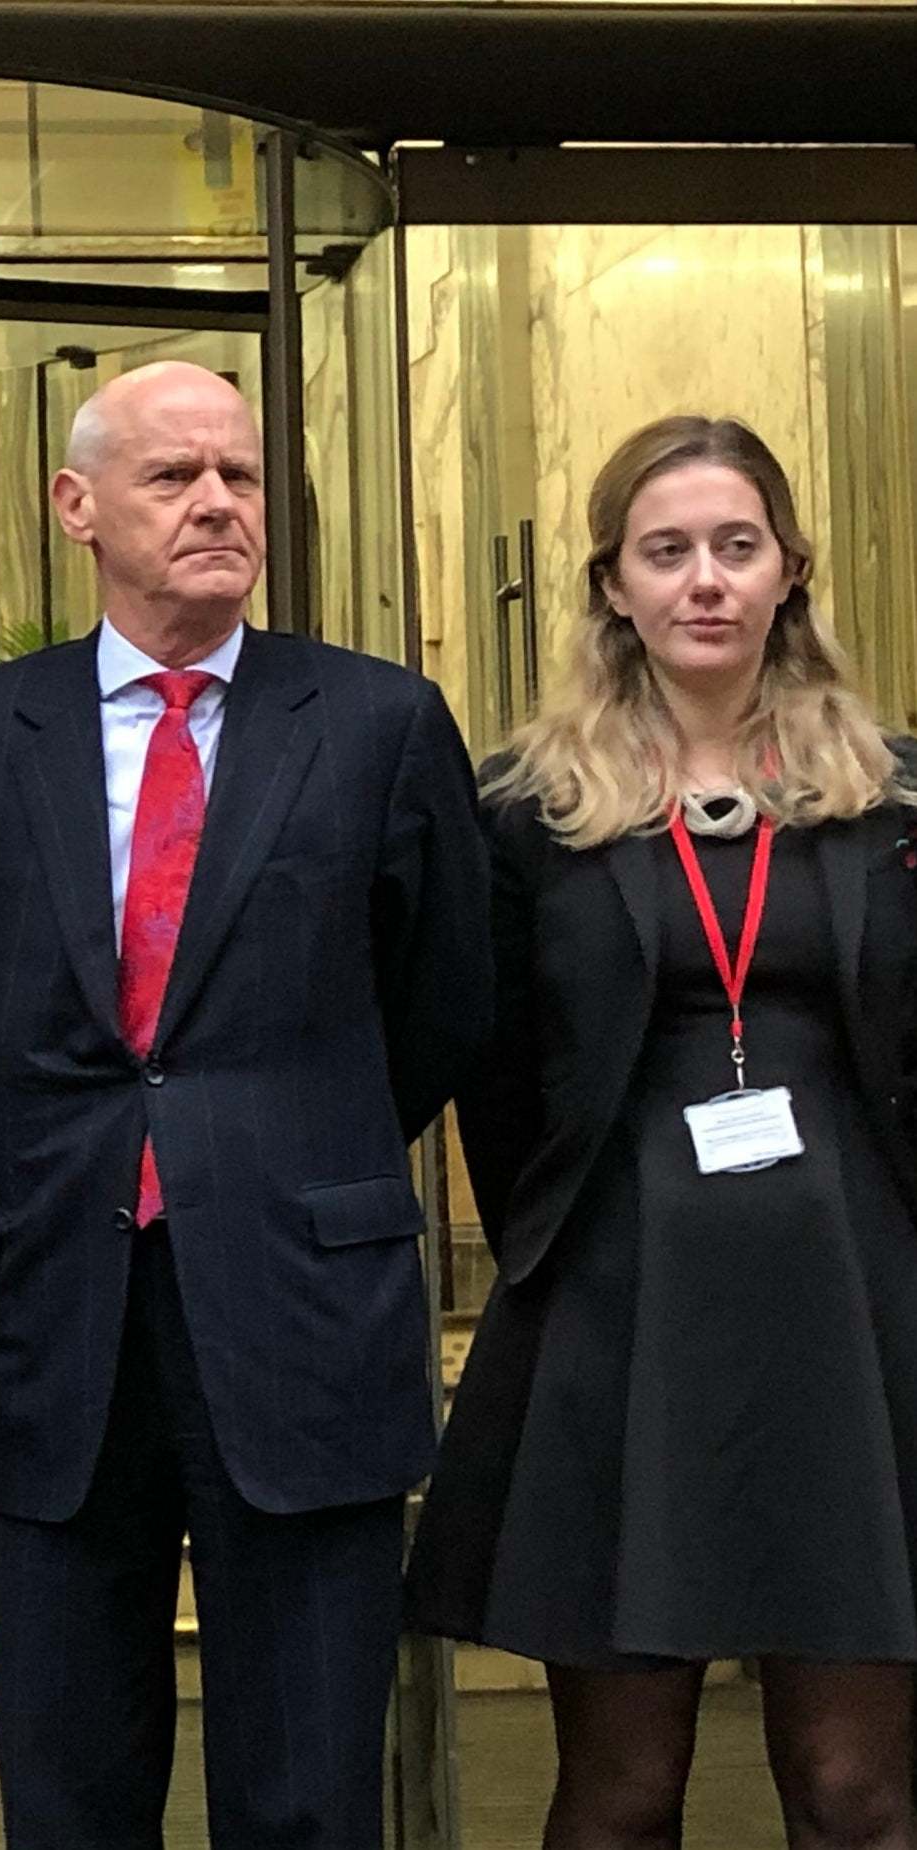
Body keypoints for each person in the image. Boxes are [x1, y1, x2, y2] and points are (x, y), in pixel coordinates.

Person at [0, 359, 491, 1848]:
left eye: (239, 474)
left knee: (303, 1787)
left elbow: (438, 1004)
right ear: (74, 507)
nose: (217, 501)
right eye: (173, 476)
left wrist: (265, 1150)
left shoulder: (377, 722)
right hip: (52, 1313)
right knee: (70, 1786)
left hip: (299, 1306)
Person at [406, 416, 917, 1849]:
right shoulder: (524, 808)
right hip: (615, 1327)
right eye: (666, 550)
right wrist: (559, 1246)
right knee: (619, 1793)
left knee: (853, 1791)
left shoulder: (891, 793)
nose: (703, 579)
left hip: (859, 1324)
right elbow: (490, 1074)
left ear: (786, 573)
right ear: (611, 585)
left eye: (733, 546)